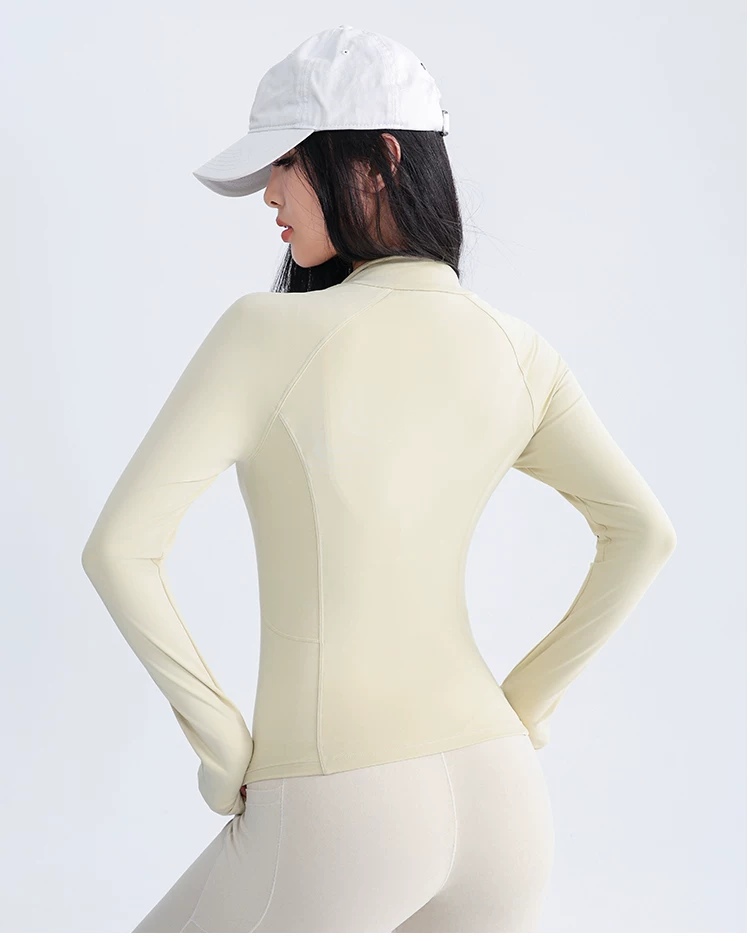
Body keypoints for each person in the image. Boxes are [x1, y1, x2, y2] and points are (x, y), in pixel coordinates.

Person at [81, 25, 677, 933]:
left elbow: (119, 550)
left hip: (337, 806)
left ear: (380, 160)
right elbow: (643, 534)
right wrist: (526, 707)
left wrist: (224, 748)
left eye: (287, 160)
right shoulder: (519, 351)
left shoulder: (262, 334)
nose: (270, 192)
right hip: (505, 809)